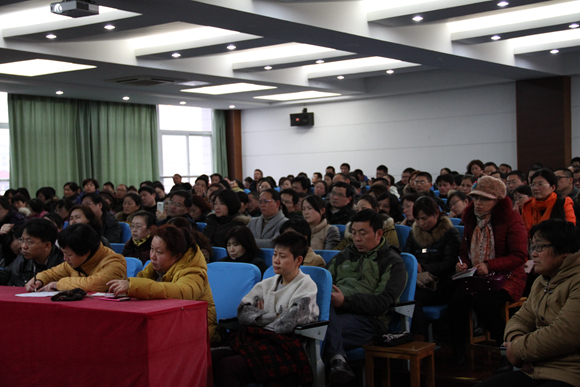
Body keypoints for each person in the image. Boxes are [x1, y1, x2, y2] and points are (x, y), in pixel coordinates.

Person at [476, 219, 580, 387]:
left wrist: (517, 350)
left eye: (540, 247)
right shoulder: (542, 281)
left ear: (564, 251)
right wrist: (516, 340)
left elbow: (565, 334)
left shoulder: (576, 281)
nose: (534, 254)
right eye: (533, 247)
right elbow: (521, 319)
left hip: (569, 373)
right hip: (535, 368)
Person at [211, 231, 319, 387]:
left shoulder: (306, 286)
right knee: (210, 359)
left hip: (284, 347)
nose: (276, 260)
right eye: (275, 255)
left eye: (282, 256)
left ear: (298, 260)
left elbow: (286, 324)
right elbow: (243, 312)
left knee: (227, 366)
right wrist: (276, 315)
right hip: (258, 341)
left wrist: (258, 318)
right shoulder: (267, 283)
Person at [449, 176, 528, 372]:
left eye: (484, 199)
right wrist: (464, 264)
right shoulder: (471, 219)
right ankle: (458, 351)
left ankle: (507, 350)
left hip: (508, 277)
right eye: (475, 198)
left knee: (484, 302)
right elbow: (464, 251)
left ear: (497, 201)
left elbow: (519, 256)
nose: (478, 203)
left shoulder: (510, 219)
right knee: (456, 302)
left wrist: (490, 265)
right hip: (478, 275)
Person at [324, 209, 407, 384]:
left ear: (378, 234)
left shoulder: (392, 262)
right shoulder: (342, 257)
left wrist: (345, 302)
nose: (357, 239)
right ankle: (337, 359)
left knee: (318, 334)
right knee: (317, 319)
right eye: (353, 233)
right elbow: (322, 286)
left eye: (363, 233)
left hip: (369, 321)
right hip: (333, 313)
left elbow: (381, 303)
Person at [108, 224, 219, 343]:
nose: (153, 256)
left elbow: (180, 291)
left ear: (177, 256)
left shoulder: (194, 272)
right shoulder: (156, 267)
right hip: (170, 327)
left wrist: (134, 286)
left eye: (159, 252)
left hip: (197, 334)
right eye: (151, 249)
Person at [403, 197, 461, 338]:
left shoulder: (450, 233)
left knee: (412, 297)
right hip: (417, 280)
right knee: (404, 293)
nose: (421, 223)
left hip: (440, 283)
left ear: (436, 214)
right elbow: (407, 255)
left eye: (425, 218)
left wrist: (422, 267)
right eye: (417, 219)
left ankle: (418, 337)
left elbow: (448, 264)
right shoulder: (414, 233)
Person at [26, 223, 126, 292]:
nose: (65, 258)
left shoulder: (115, 262)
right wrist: (39, 280)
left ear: (86, 252)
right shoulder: (76, 261)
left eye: (68, 255)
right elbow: (52, 273)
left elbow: (93, 284)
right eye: (63, 254)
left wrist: (58, 284)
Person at [0, 219, 63, 287]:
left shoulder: (63, 263)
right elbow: (3, 276)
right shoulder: (21, 261)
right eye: (22, 240)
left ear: (47, 245)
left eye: (29, 242)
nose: (23, 246)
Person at [521, 169, 576, 233]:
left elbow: (570, 227)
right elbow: (524, 231)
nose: (535, 188)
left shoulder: (563, 202)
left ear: (552, 187)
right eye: (533, 185)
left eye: (540, 184)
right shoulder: (528, 205)